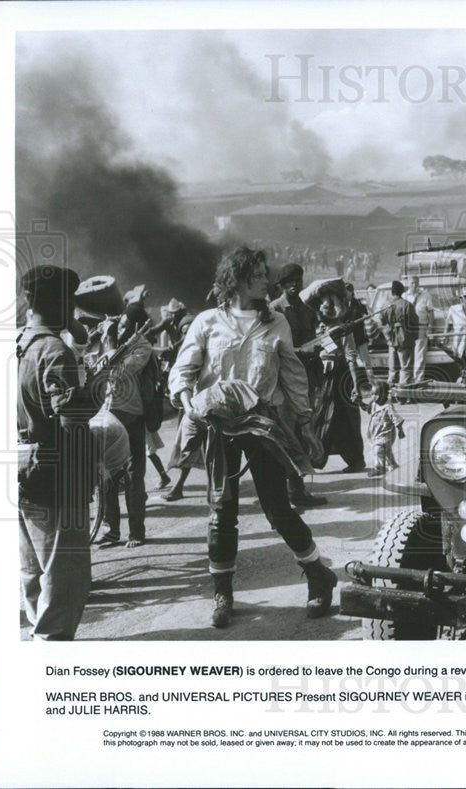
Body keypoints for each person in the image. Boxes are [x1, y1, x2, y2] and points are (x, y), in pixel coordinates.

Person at [168, 247, 338, 628]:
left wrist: (306, 423)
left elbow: (293, 374)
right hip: (219, 427)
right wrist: (188, 403)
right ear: (239, 279)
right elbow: (184, 368)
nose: (267, 280)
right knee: (221, 513)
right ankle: (223, 593)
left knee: (278, 509)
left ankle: (318, 577)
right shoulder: (208, 322)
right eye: (260, 275)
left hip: (263, 423)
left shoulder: (276, 322)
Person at [17, 264, 96, 640]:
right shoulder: (54, 351)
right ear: (63, 302)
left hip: (19, 468)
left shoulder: (17, 342)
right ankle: (51, 652)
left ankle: (39, 636)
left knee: (31, 570)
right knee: (65, 578)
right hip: (56, 474)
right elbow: (73, 425)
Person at [94, 303, 153, 548]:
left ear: (138, 327)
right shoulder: (112, 342)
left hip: (132, 417)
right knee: (105, 475)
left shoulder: (143, 347)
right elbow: (96, 371)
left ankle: (136, 532)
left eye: (129, 327)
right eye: (121, 325)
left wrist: (109, 346)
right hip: (108, 414)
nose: (123, 330)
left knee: (133, 475)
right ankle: (111, 530)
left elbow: (119, 372)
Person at [270, 263, 326, 507]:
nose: (295, 285)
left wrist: (318, 347)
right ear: (281, 285)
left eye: (298, 280)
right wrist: (302, 352)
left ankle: (297, 488)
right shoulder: (273, 311)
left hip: (307, 378)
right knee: (287, 435)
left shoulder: (306, 310)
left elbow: (312, 338)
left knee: (304, 433)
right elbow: (272, 349)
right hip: (283, 381)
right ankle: (289, 491)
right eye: (290, 281)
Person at [306, 280, 367, 473]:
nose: (326, 309)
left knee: (346, 418)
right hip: (320, 377)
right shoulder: (314, 327)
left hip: (340, 377)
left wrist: (356, 384)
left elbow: (350, 356)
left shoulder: (343, 329)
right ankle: (315, 457)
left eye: (330, 305)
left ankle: (356, 460)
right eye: (323, 305)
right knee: (318, 415)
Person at [362, 380, 405, 478]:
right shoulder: (374, 404)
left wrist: (401, 431)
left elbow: (396, 419)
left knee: (378, 451)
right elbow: (367, 409)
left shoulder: (388, 407)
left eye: (377, 394)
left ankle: (379, 468)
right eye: (372, 394)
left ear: (385, 394)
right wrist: (359, 402)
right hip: (376, 433)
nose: (374, 397)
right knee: (386, 451)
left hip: (386, 434)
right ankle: (393, 466)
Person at [381, 280, 418, 385]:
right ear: (402, 292)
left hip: (391, 340)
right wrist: (414, 337)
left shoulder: (385, 305)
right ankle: (403, 395)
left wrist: (388, 336)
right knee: (406, 368)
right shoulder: (407, 305)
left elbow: (382, 322)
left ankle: (391, 393)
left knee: (393, 368)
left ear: (392, 292)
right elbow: (415, 322)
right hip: (405, 339)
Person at [406, 276, 434, 382]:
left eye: (416, 283)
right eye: (412, 283)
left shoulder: (426, 295)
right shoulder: (405, 296)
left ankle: (418, 379)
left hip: (422, 326)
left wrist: (430, 327)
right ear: (408, 284)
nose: (415, 285)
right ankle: (408, 379)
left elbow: (431, 312)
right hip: (408, 328)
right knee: (408, 354)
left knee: (420, 354)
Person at [344, 282, 373, 370]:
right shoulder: (342, 304)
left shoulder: (358, 303)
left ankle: (370, 381)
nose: (345, 293)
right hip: (348, 338)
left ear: (351, 292)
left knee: (366, 362)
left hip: (359, 336)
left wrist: (365, 307)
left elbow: (368, 313)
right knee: (351, 362)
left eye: (347, 291)